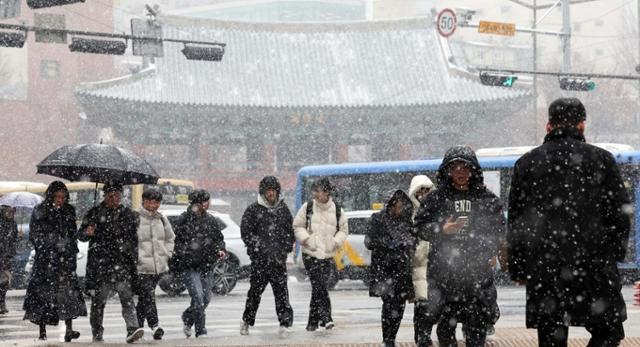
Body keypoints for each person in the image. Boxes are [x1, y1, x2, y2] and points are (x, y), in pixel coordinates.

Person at [507, 98, 631, 347]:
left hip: (546, 267)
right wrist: (613, 251)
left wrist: (519, 266)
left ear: (549, 125)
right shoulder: (602, 160)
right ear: (582, 125)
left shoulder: (528, 163)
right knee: (609, 331)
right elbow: (621, 213)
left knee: (552, 336)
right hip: (594, 265)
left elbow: (517, 221)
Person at [414, 145, 505, 347]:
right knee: (446, 329)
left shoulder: (486, 199)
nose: (461, 172)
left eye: (465, 167)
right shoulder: (436, 198)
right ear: (448, 170)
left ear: (473, 170)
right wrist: (441, 229)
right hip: (444, 275)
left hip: (477, 276)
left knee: (476, 329)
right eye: (455, 167)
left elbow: (499, 229)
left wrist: (488, 248)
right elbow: (419, 226)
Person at [79, 182, 144, 343]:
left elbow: (134, 240)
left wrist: (132, 257)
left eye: (116, 195)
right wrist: (87, 232)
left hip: (122, 264)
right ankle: (97, 331)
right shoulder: (94, 213)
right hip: (101, 265)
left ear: (121, 196)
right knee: (98, 302)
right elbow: (81, 236)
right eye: (110, 195)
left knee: (127, 299)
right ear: (104, 195)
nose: (113, 198)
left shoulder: (128, 214)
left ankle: (132, 329)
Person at [23, 182, 87, 341]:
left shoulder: (69, 211)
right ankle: (42, 331)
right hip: (46, 262)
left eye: (63, 197)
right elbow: (35, 236)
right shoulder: (40, 210)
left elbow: (72, 234)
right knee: (44, 297)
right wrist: (51, 244)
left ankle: (69, 329)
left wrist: (69, 244)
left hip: (65, 260)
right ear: (51, 196)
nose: (60, 200)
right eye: (58, 197)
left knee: (67, 296)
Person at [239, 176, 295, 338]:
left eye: (273, 190)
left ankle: (285, 323)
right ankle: (246, 321)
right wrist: (257, 247)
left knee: (282, 293)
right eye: (268, 190)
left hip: (278, 261)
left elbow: (289, 233)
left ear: (277, 191)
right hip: (260, 262)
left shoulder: (283, 210)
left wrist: (283, 248)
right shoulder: (253, 210)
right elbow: (246, 233)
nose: (271, 193)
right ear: (263, 192)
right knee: (255, 293)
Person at [169, 189, 226, 338]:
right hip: (189, 267)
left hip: (206, 265)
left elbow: (218, 238)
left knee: (206, 298)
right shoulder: (184, 219)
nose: (208, 204)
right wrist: (184, 256)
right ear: (197, 204)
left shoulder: (211, 220)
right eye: (205, 201)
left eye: (208, 201)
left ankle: (188, 317)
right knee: (198, 298)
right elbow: (177, 242)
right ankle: (201, 331)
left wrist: (220, 249)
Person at [293, 177, 348, 331]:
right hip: (310, 253)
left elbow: (344, 230)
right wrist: (306, 240)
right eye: (314, 191)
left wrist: (335, 242)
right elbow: (297, 225)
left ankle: (312, 323)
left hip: (328, 254)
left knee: (318, 287)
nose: (316, 194)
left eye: (319, 191)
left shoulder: (337, 209)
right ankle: (327, 318)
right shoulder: (308, 207)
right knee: (319, 284)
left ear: (327, 192)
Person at [366, 189, 417, 347]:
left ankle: (391, 337)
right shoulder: (377, 219)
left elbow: (415, 240)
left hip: (402, 269)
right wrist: (385, 243)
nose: (400, 210)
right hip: (384, 269)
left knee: (399, 304)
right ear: (391, 205)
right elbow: (369, 242)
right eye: (397, 206)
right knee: (388, 304)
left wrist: (407, 243)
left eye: (402, 207)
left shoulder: (407, 222)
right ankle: (387, 339)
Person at [134, 188, 175, 340]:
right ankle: (155, 325)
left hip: (158, 267)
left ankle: (137, 327)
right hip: (141, 267)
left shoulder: (162, 219)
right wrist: (136, 258)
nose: (154, 205)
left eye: (157, 202)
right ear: (143, 201)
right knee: (148, 295)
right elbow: (130, 241)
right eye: (151, 201)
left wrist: (167, 254)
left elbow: (170, 238)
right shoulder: (135, 218)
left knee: (145, 298)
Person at [408, 175, 435, 347]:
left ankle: (423, 335)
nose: (423, 194)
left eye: (426, 190)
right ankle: (422, 336)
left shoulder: (435, 210)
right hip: (417, 264)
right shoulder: (409, 213)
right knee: (422, 303)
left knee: (428, 302)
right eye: (420, 191)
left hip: (433, 262)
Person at [0, 204, 18, 315]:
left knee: (5, 281)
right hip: (1, 255)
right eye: (9, 212)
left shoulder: (13, 224)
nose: (11, 214)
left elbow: (14, 240)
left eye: (13, 212)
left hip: (8, 256)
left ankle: (2, 301)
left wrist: (18, 237)